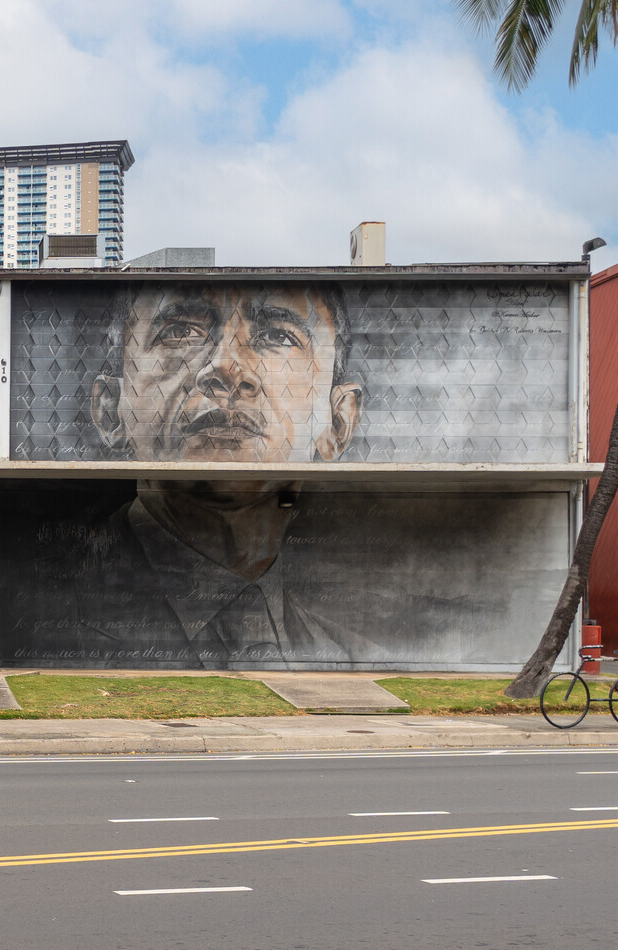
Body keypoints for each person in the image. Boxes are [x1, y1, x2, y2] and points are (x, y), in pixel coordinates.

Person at [20, 281, 382, 667]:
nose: (226, 367)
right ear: (111, 410)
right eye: (180, 332)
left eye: (278, 336)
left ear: (339, 422)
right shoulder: (34, 615)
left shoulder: (351, 657)